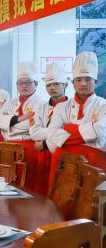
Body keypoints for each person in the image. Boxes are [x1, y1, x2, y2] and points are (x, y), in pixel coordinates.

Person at [47, 51, 106, 184]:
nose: (83, 83)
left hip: (93, 163)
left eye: (88, 79)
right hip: (63, 162)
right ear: (73, 82)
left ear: (96, 82)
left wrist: (68, 129)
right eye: (79, 80)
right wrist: (88, 133)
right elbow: (51, 134)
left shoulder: (103, 105)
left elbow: (100, 131)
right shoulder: (61, 107)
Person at [0, 62, 44, 193]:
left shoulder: (40, 102)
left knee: (26, 185)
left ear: (36, 84)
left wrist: (8, 125)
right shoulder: (11, 102)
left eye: (28, 82)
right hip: (8, 147)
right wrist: (18, 119)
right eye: (20, 83)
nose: (24, 86)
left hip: (28, 147)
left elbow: (30, 126)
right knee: (7, 184)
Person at [29, 62, 68, 194]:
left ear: (66, 85)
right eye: (49, 85)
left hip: (62, 154)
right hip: (41, 155)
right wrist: (56, 133)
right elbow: (34, 132)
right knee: (40, 190)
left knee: (58, 191)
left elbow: (67, 134)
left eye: (56, 84)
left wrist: (45, 143)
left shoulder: (70, 107)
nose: (52, 88)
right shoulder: (41, 107)